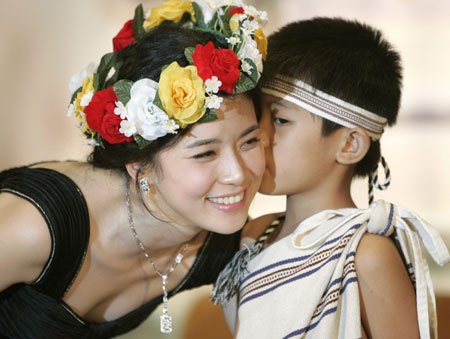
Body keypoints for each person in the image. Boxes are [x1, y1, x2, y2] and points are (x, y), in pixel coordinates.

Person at [0, 1, 269, 337]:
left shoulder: (219, 242)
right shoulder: (34, 226)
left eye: (249, 142)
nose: (238, 174)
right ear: (138, 162)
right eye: (205, 154)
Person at [211, 17, 450, 338]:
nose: (260, 135)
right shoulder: (254, 234)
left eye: (280, 119)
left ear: (350, 144)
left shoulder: (367, 254)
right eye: (260, 115)